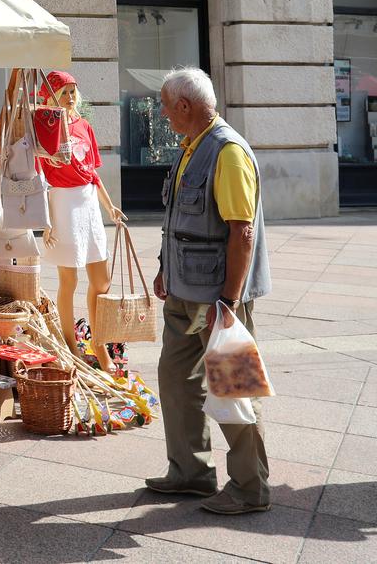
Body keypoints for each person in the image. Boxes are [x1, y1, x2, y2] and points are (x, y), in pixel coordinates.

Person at [148, 66, 271, 515]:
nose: (162, 114)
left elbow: (242, 232)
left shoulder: (228, 152)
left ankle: (250, 486)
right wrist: (165, 270)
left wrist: (230, 301)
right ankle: (190, 472)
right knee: (176, 379)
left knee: (233, 386)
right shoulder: (191, 147)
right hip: (184, 290)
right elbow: (178, 220)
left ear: (185, 105)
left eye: (165, 106)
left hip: (217, 296)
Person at [35, 71, 126, 361]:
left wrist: (110, 206)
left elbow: (92, 172)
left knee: (102, 281)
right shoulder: (44, 129)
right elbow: (40, 176)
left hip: (88, 202)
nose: (71, 97)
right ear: (51, 97)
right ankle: (71, 345)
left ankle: (98, 344)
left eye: (73, 91)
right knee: (69, 280)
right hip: (62, 202)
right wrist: (46, 222)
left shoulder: (84, 126)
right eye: (64, 92)